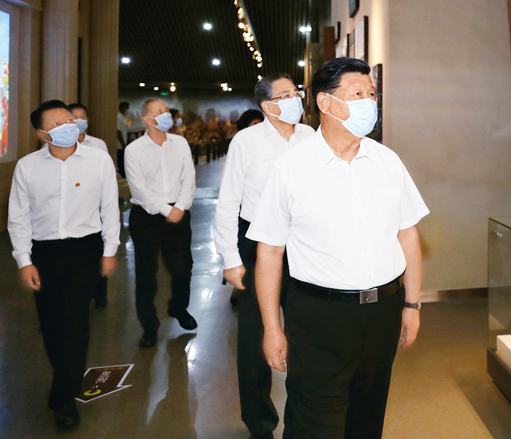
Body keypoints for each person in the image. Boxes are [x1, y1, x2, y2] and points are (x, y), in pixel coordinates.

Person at [248, 57, 429, 439]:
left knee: (368, 416)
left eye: (372, 94)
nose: (369, 103)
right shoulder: (290, 167)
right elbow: (270, 252)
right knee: (314, 421)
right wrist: (271, 327)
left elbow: (408, 235)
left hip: (382, 312)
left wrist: (411, 305)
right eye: (357, 94)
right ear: (325, 102)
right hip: (319, 316)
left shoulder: (387, 162)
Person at [213, 74, 315, 439]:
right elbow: (228, 200)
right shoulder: (247, 141)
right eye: (284, 95)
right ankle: (259, 424)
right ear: (267, 105)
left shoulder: (310, 137)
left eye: (295, 92)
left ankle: (304, 418)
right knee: (256, 338)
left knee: (305, 333)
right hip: (257, 243)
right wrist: (230, 258)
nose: (294, 99)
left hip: (302, 243)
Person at [8, 100, 119, 430]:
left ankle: (64, 398)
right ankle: (66, 380)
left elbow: (110, 208)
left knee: (75, 321)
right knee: (51, 322)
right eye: (56, 123)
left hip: (85, 249)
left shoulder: (98, 160)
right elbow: (18, 217)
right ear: (41, 133)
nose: (67, 126)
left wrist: (110, 250)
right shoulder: (27, 167)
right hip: (44, 252)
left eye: (69, 119)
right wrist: (24, 260)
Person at [125, 99, 196, 348]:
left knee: (183, 267)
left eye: (166, 110)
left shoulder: (180, 143)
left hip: (178, 211)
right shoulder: (134, 150)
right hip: (146, 216)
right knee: (147, 274)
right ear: (146, 119)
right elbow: (139, 189)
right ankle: (149, 326)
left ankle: (178, 307)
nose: (166, 114)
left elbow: (189, 177)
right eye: (159, 111)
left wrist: (179, 207)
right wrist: (167, 210)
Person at [68, 103, 111, 308]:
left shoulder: (98, 145)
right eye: (74, 116)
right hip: (69, 207)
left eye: (82, 116)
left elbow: (106, 176)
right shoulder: (52, 145)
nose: (79, 120)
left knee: (97, 251)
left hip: (94, 206)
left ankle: (99, 292)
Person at [117, 101, 129, 177]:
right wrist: (123, 143)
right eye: (126, 108)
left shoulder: (123, 117)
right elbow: (118, 131)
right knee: (120, 162)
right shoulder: (118, 117)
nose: (127, 110)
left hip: (123, 142)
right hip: (119, 144)